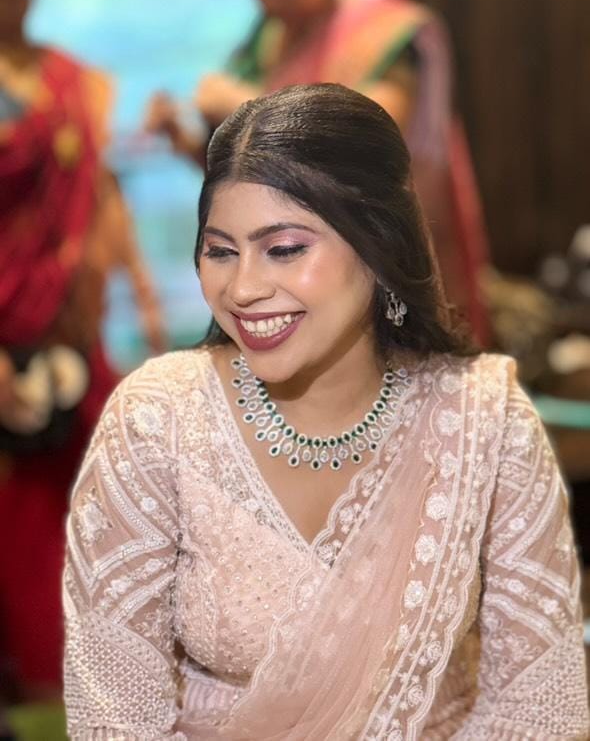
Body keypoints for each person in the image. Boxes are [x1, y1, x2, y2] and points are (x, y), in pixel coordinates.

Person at [63, 84, 588, 739]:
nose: (243, 288)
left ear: (378, 242)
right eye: (220, 250)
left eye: (284, 248)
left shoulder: (484, 420)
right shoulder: (158, 421)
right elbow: (114, 717)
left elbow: (538, 709)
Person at [145, 0, 490, 344]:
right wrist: (186, 140)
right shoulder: (265, 38)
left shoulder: (382, 34)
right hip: (284, 256)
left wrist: (244, 103)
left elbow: (370, 134)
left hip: (367, 253)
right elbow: (252, 171)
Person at [0, 0, 165, 701]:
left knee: (99, 517)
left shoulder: (71, 80)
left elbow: (98, 191)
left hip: (69, 341)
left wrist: (141, 286)